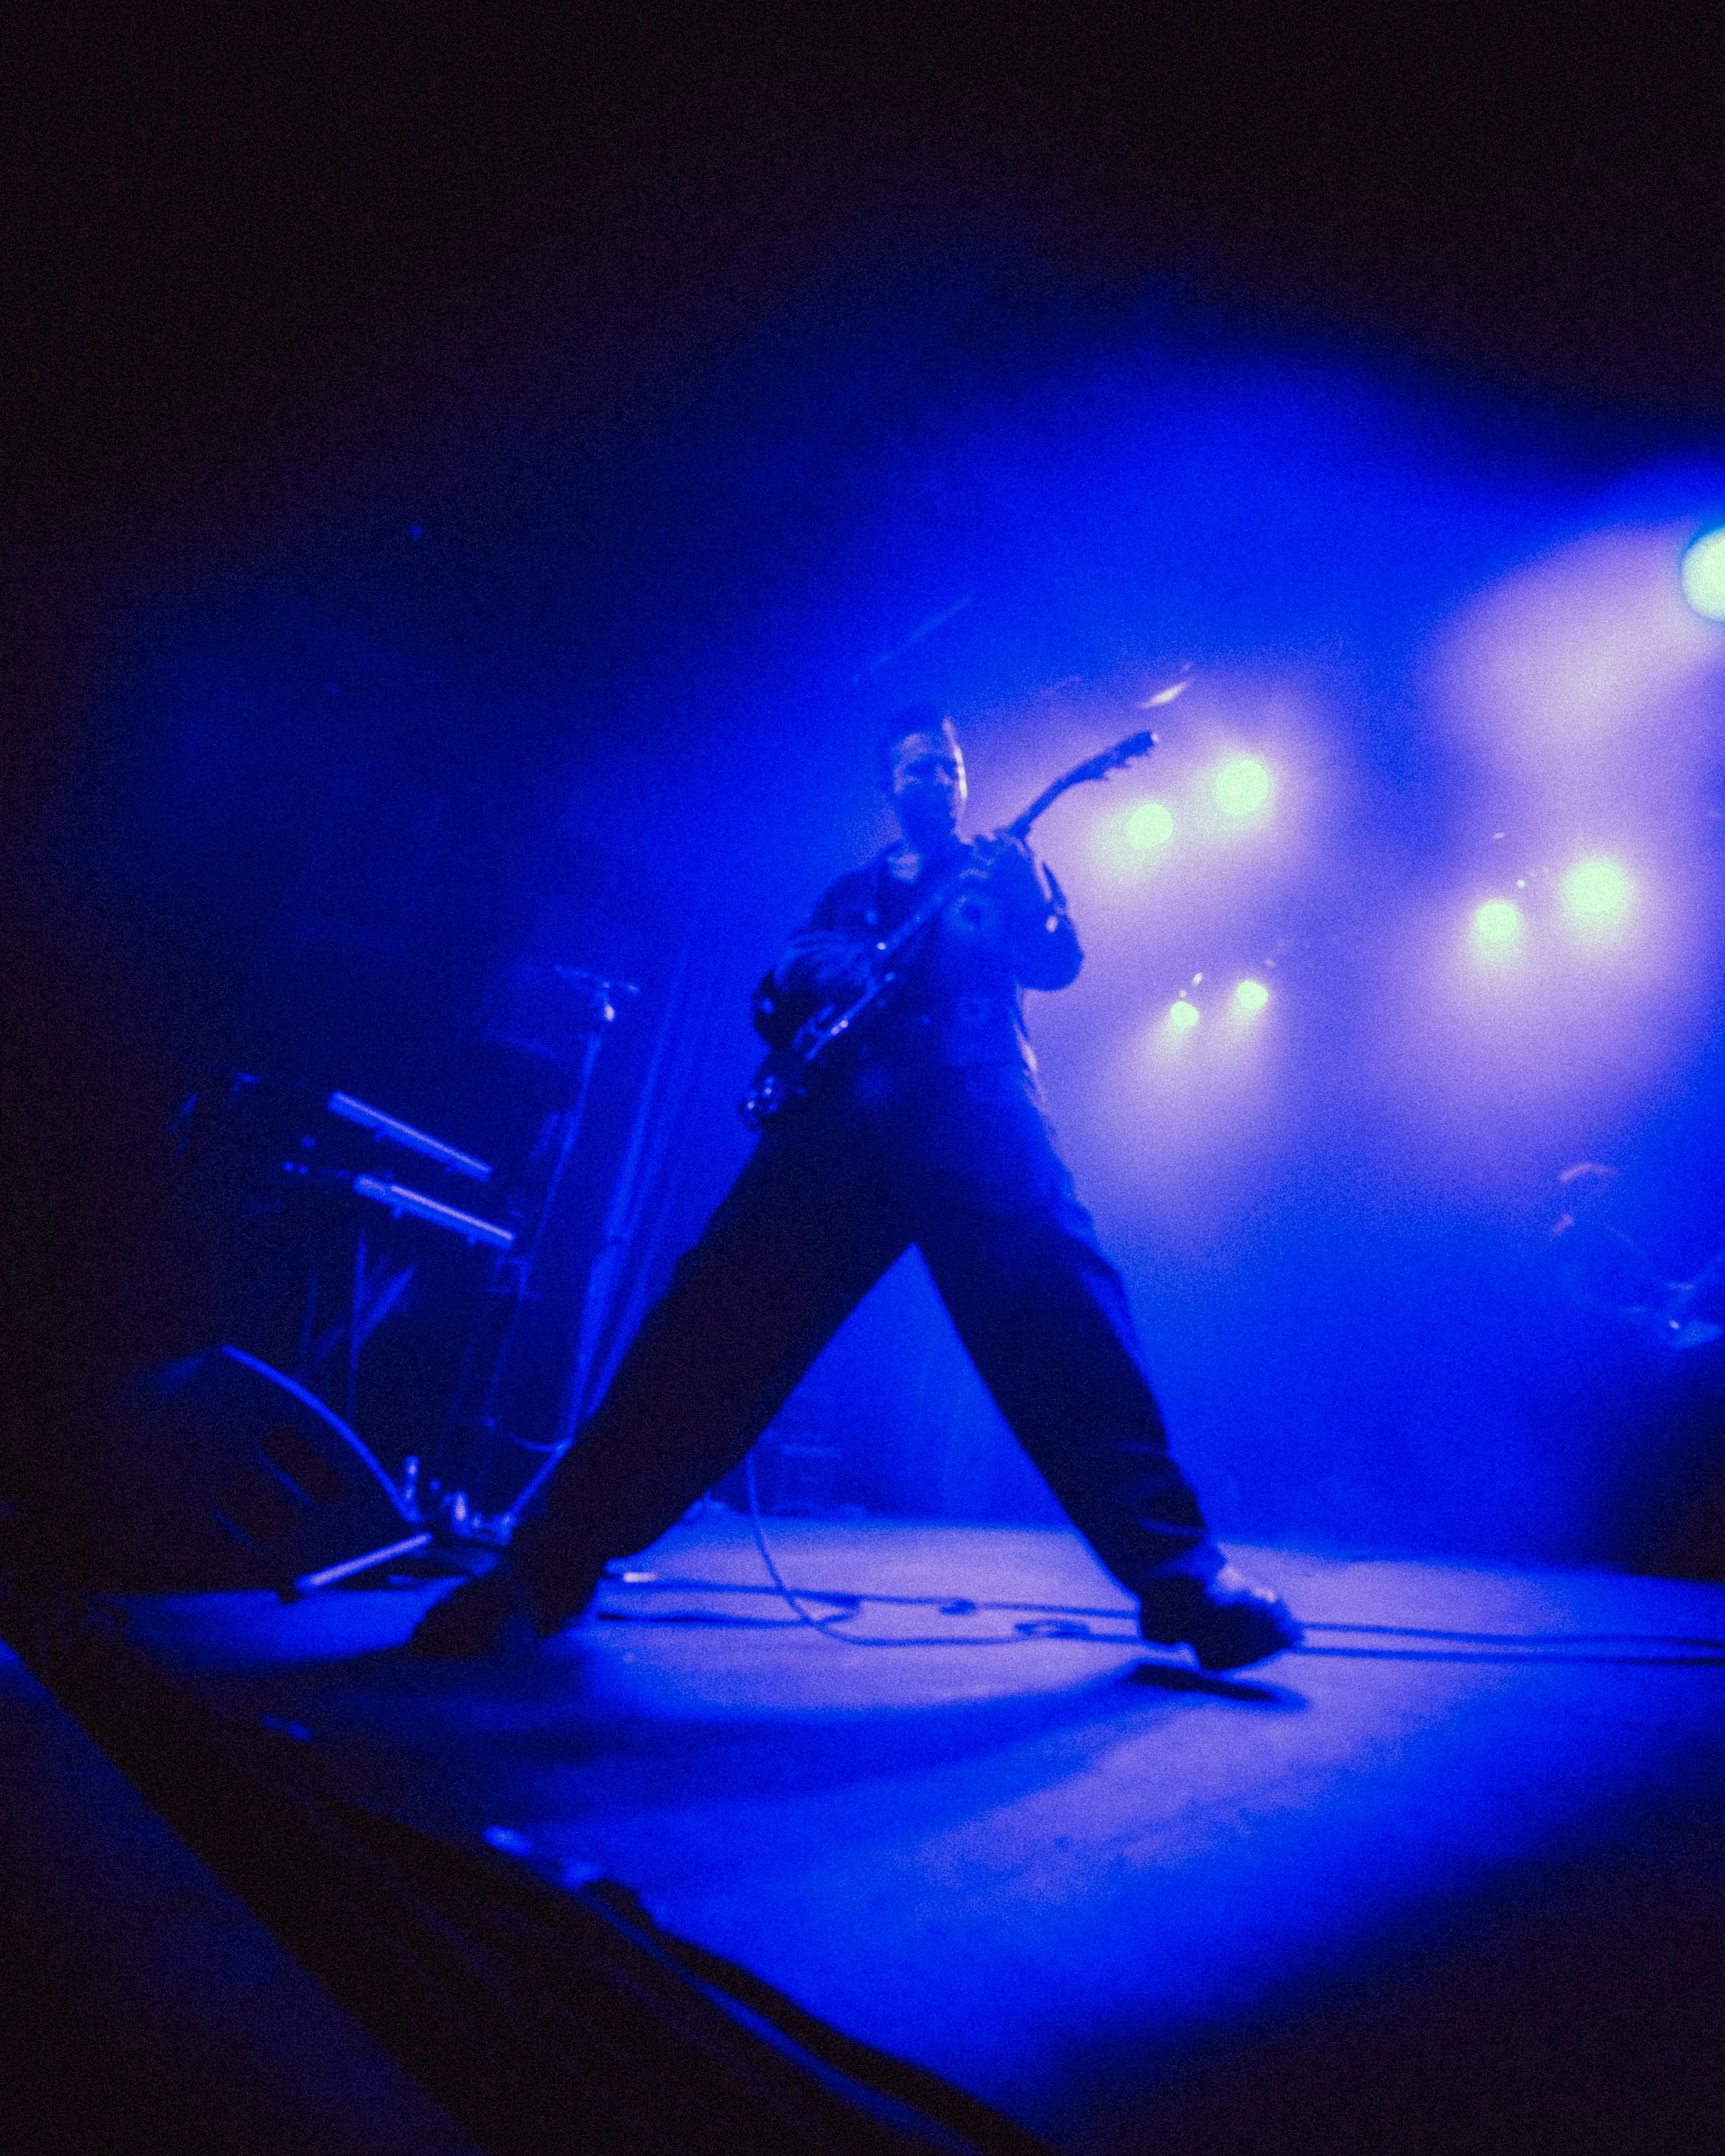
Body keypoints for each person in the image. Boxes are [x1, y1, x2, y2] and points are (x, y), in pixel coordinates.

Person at [413, 706, 1301, 1669]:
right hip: (838, 1117)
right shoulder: (846, 892)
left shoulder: (1000, 863)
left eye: (951, 766)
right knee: (711, 1317)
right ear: (890, 785)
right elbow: (774, 1004)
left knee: (1061, 1305)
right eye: (918, 766)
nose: (938, 780)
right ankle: (546, 1565)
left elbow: (1058, 964)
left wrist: (1031, 902)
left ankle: (1183, 1572)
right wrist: (799, 970)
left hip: (976, 1101)